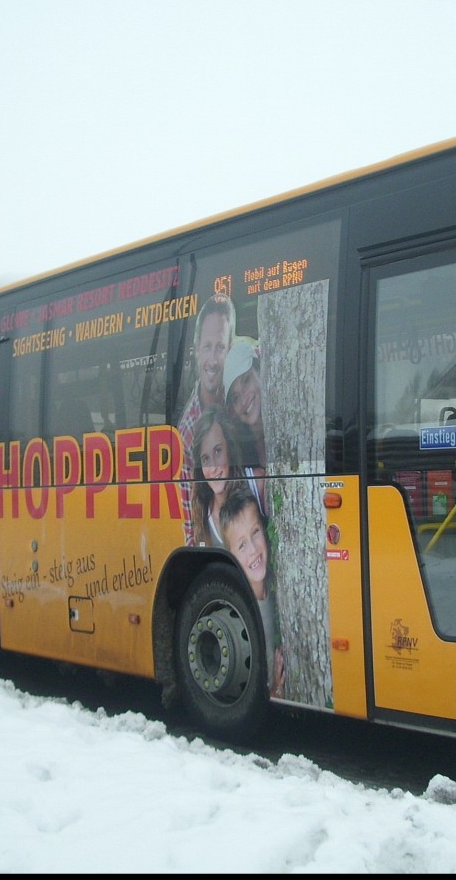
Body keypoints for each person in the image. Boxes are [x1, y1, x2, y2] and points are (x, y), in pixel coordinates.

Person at [177, 293, 236, 545]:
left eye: (220, 347)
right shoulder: (188, 431)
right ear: (196, 350)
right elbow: (192, 524)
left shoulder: (243, 388)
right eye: (207, 347)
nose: (213, 360)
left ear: (230, 349)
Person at [218, 482, 285, 698]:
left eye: (255, 532)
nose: (254, 550)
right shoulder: (240, 616)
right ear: (231, 556)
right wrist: (275, 690)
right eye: (241, 545)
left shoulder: (278, 585)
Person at [189, 404, 267, 547]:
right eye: (206, 459)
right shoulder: (202, 508)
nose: (213, 468)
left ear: (229, 449)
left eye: (218, 451)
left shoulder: (257, 483)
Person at [222, 335, 266, 469]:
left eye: (246, 381)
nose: (243, 400)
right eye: (235, 397)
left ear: (259, 371)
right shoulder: (237, 452)